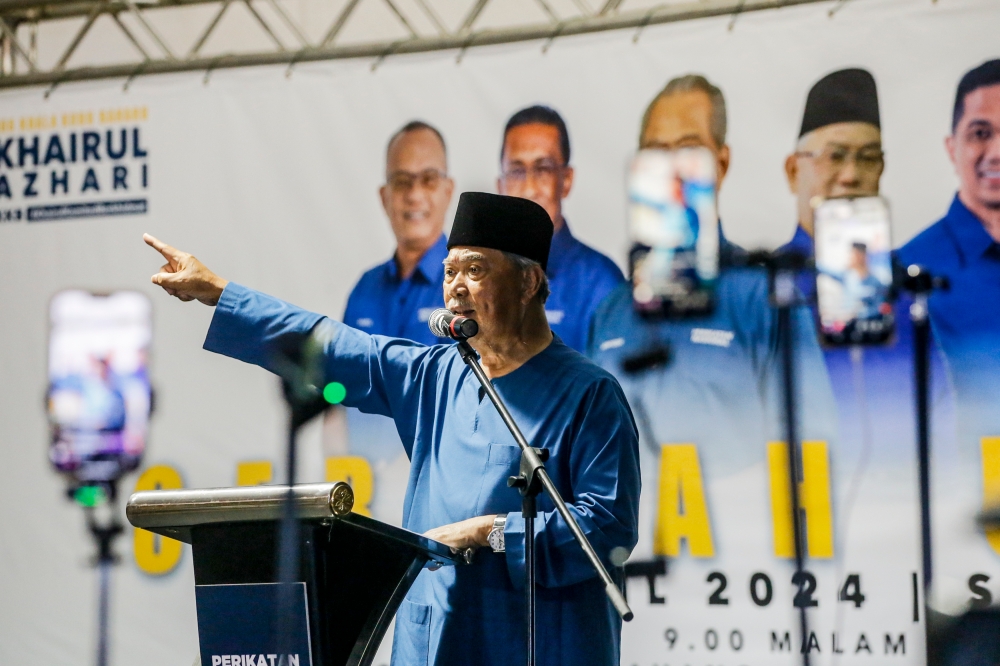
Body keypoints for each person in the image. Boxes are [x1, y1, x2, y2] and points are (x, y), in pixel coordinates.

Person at [142, 192, 641, 666]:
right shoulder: (432, 376)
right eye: (449, 271)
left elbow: (607, 528)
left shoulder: (590, 395)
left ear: (528, 284)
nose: (455, 287)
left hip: (538, 638)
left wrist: (492, 533)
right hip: (440, 638)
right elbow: (328, 342)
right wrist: (219, 294)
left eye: (475, 269)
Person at [588, 75, 777, 563]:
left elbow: (812, 446)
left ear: (722, 161)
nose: (671, 168)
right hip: (628, 577)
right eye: (656, 152)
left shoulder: (761, 294)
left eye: (688, 149)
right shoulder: (609, 311)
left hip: (737, 570)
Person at [497, 105, 624, 352]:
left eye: (542, 168)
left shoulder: (601, 283)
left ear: (566, 180)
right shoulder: (479, 277)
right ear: (499, 184)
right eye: (517, 171)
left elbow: (611, 387)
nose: (529, 187)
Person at [343, 121, 456, 344]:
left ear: (448, 191)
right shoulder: (365, 288)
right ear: (384, 197)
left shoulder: (472, 287)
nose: (414, 195)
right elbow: (340, 376)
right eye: (402, 181)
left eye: (429, 179)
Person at [779, 68, 885, 293]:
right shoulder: (763, 282)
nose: (851, 176)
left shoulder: (899, 284)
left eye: (868, 158)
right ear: (793, 171)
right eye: (834, 156)